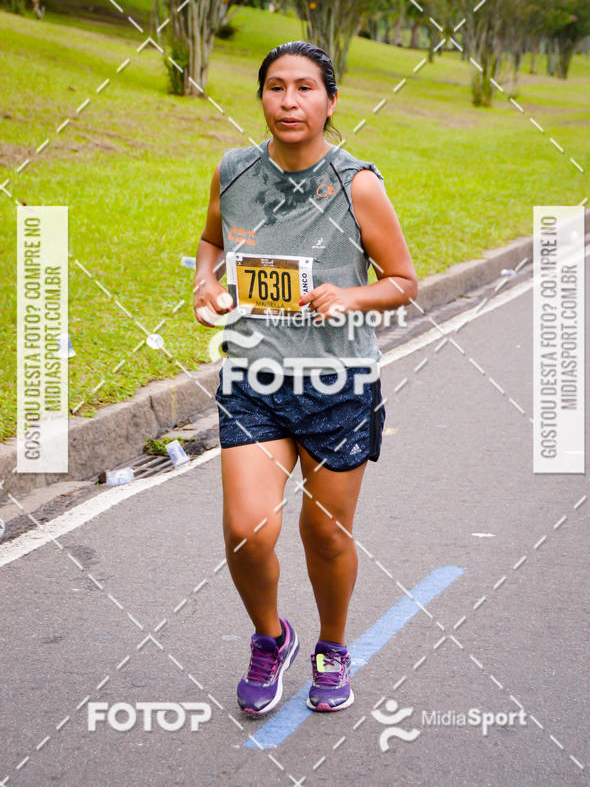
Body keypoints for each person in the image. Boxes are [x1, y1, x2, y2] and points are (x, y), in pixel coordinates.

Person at [193, 40, 418, 716]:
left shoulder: (358, 184)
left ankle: (333, 647)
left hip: (336, 384)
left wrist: (351, 296)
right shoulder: (234, 170)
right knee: (247, 531)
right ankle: (271, 637)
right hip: (254, 375)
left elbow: (403, 282)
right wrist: (205, 284)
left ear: (330, 101)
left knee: (325, 534)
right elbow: (211, 241)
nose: (289, 102)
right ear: (260, 96)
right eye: (275, 88)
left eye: (305, 89)